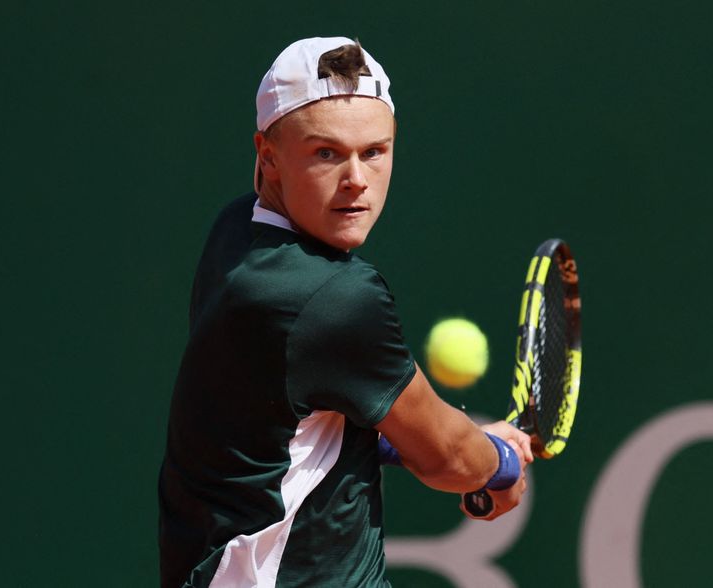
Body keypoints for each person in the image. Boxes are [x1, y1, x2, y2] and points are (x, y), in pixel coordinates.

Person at [158, 36, 533, 588]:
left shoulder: (236, 233)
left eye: (374, 152)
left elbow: (291, 425)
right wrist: (498, 461)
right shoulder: (333, 297)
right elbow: (448, 456)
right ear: (269, 157)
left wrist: (442, 444)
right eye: (327, 153)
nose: (356, 179)